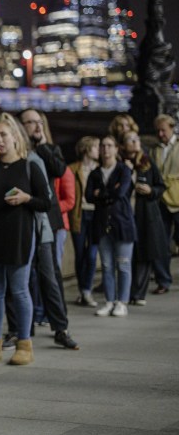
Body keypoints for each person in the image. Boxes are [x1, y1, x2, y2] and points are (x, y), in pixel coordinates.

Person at [0, 113, 50, 366]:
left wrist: (26, 198)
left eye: (3, 134)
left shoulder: (29, 166)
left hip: (18, 237)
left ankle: (24, 344)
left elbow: (46, 203)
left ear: (15, 136)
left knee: (19, 291)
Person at [16, 109, 78, 351]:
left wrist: (41, 143)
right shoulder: (15, 153)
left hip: (47, 224)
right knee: (23, 280)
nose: (35, 126)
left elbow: (59, 170)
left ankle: (60, 328)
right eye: (30, 122)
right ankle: (23, 330)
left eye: (38, 122)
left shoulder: (49, 150)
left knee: (49, 277)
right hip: (21, 222)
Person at [86, 136, 137, 317]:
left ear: (116, 149)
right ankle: (109, 300)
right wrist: (107, 192)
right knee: (107, 265)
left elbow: (121, 192)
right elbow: (89, 196)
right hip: (102, 223)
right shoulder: (95, 173)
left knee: (123, 264)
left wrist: (102, 193)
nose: (105, 149)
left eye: (109, 146)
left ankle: (122, 301)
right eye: (102, 146)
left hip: (122, 223)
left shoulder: (123, 170)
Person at [122, 130, 169, 306]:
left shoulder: (147, 163)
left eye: (136, 140)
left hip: (146, 216)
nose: (134, 143)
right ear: (123, 145)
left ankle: (138, 294)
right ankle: (126, 292)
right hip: (127, 215)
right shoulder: (121, 164)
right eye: (130, 140)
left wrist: (151, 191)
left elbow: (160, 186)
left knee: (145, 253)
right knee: (128, 255)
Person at [69, 136, 100, 306]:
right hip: (79, 215)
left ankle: (87, 290)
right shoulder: (73, 169)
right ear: (86, 149)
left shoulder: (101, 169)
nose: (99, 151)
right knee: (80, 255)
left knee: (92, 254)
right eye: (96, 147)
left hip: (96, 215)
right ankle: (83, 290)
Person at [151, 113, 179, 289]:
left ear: (172, 128)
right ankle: (163, 280)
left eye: (163, 130)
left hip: (177, 200)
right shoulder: (155, 150)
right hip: (161, 201)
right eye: (158, 131)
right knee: (160, 243)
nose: (160, 134)